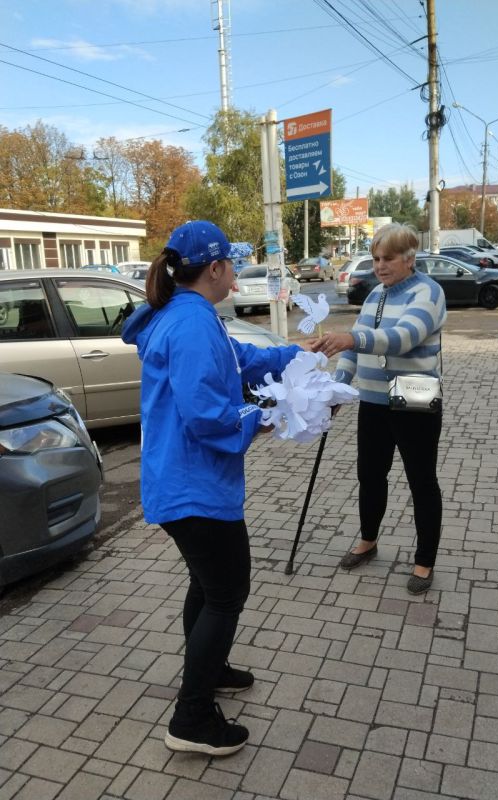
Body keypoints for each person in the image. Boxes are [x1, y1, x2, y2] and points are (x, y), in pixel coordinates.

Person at [122, 220, 302, 756]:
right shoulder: (193, 324)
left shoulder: (187, 314)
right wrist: (270, 416)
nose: (237, 274)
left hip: (182, 479)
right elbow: (209, 417)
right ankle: (192, 717)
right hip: (193, 485)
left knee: (207, 586)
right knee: (227, 593)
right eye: (234, 265)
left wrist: (299, 353)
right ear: (217, 268)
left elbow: (240, 361)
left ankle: (212, 667)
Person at [311, 223, 446, 595]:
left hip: (414, 397)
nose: (380, 266)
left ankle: (424, 561)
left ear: (409, 257)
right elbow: (354, 349)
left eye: (387, 258)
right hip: (373, 400)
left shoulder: (428, 292)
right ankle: (368, 542)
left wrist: (350, 337)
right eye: (375, 259)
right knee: (370, 475)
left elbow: (402, 339)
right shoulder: (375, 296)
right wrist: (339, 387)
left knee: (421, 481)